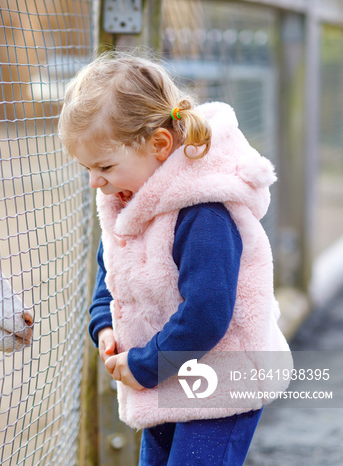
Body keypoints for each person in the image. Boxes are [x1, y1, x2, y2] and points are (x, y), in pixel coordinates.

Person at [58, 51, 291, 465]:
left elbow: (208, 313)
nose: (96, 181)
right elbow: (111, 266)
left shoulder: (203, 213)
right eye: (87, 168)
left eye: (105, 166)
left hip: (224, 381)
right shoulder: (129, 198)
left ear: (160, 145)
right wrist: (104, 323)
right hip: (168, 375)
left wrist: (147, 365)